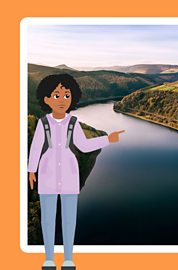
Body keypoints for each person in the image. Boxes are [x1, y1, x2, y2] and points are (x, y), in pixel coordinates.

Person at [27, 74, 125, 270]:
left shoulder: (73, 122)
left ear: (73, 98)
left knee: (69, 218)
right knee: (47, 218)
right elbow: (36, 147)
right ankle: (48, 259)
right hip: (47, 175)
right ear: (46, 99)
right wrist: (31, 170)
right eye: (56, 96)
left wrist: (107, 140)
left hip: (70, 176)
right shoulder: (42, 123)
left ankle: (68, 258)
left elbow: (84, 145)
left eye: (67, 95)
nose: (62, 100)